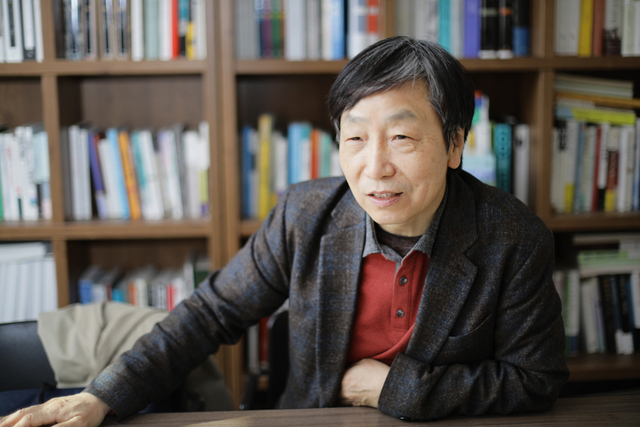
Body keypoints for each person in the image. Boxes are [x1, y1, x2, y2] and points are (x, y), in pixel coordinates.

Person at [0, 37, 568, 425]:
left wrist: (396, 388)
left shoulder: (513, 238)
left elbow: (535, 379)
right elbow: (209, 314)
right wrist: (102, 397)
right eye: (355, 138)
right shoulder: (305, 215)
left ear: (454, 145)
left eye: (401, 137)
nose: (375, 167)